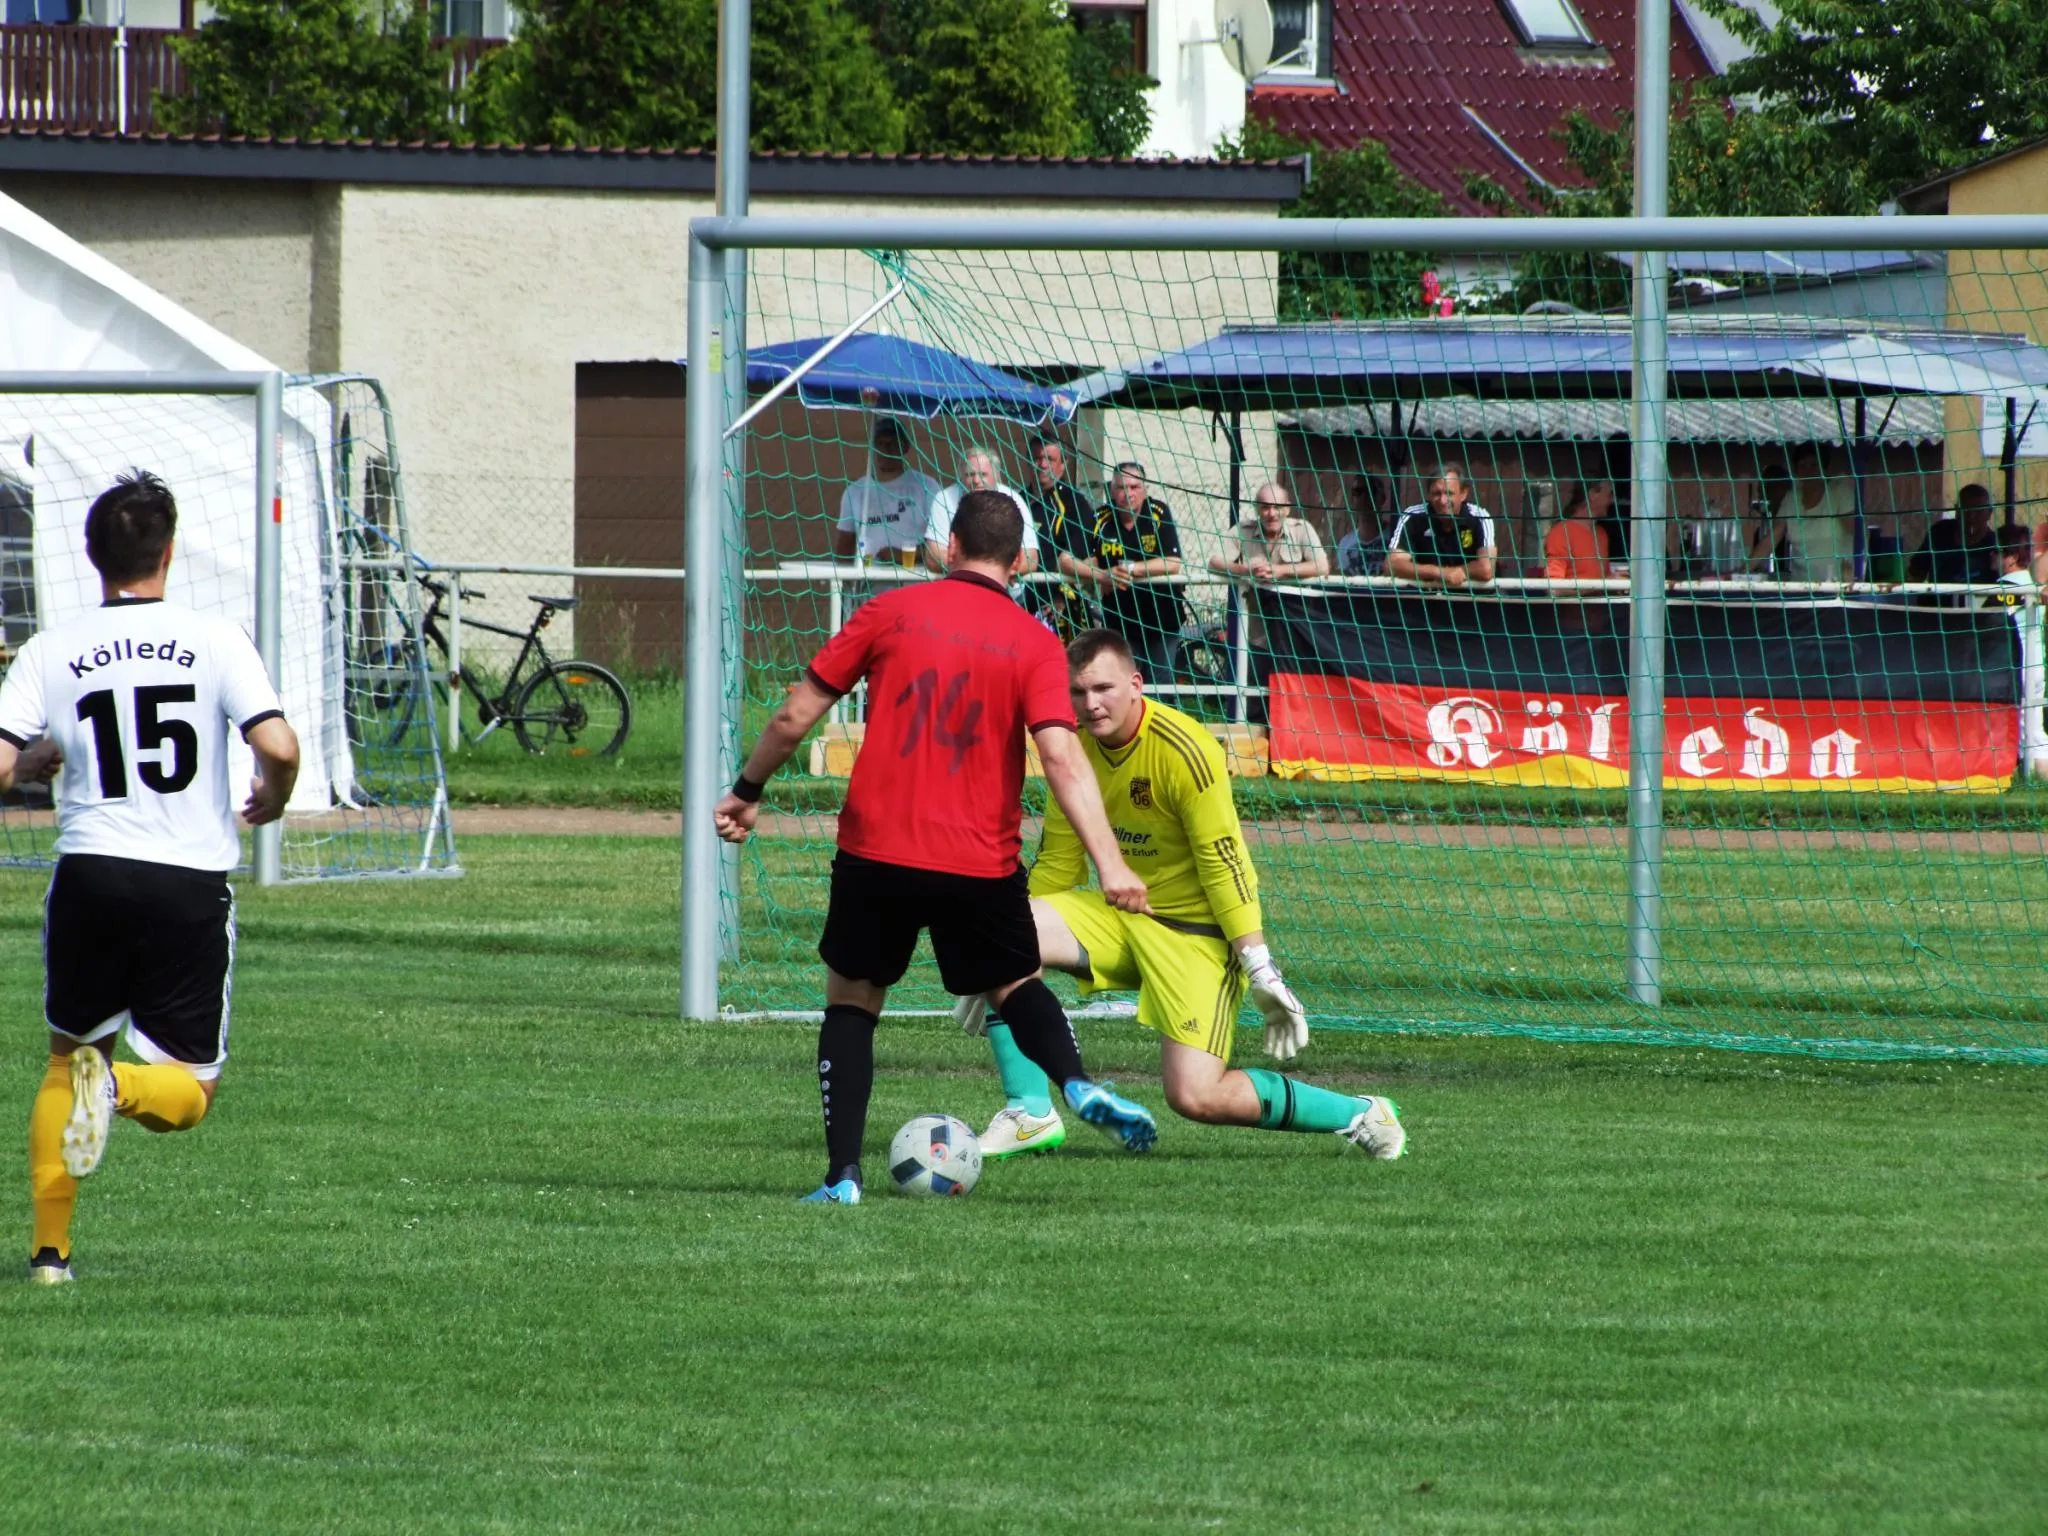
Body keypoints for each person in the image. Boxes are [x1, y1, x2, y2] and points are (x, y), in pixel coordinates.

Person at [713, 491, 1159, 1205]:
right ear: (1020, 561)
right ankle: (1075, 1083)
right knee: (1015, 984)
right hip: (978, 859)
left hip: (877, 850)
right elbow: (1063, 760)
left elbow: (795, 716)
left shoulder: (888, 612)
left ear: (948, 547)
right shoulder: (1034, 642)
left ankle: (842, 1177)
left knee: (852, 1003)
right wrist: (1111, 864)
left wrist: (747, 789)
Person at [0, 471, 301, 1284]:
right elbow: (277, 746)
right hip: (186, 883)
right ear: (168, 553)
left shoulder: (51, 648)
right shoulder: (217, 638)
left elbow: (0, 765)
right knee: (190, 1094)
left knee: (66, 1061)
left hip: (90, 874)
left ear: (91, 555)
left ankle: (50, 1256)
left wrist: (32, 761)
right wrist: (273, 797)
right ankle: (118, 1089)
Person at [959, 629, 1406, 1162]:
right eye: (1077, 691)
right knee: (997, 928)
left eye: (1102, 688)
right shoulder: (1072, 748)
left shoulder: (1185, 749)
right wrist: (1003, 959)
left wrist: (1259, 965)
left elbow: (1225, 863)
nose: (1090, 703)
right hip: (1119, 917)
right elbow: (1057, 860)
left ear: (1136, 684)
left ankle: (1361, 1114)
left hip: (1196, 936)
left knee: (1196, 1096)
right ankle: (1031, 1113)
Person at [1080, 461, 1185, 683]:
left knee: (1161, 684)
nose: (1128, 493)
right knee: (1124, 682)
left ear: (1144, 489)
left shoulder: (1158, 513)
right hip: (1120, 619)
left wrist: (1130, 569)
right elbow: (1084, 561)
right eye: (1121, 487)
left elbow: (1172, 562)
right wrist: (1104, 574)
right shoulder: (1100, 517)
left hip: (1161, 617)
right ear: (1111, 490)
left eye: (1134, 487)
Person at [921, 446, 1039, 583]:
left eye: (983, 474)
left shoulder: (1014, 499)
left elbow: (1031, 559)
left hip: (1004, 589)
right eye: (970, 475)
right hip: (959, 586)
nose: (976, 481)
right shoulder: (944, 499)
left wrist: (981, 572)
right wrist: (986, 572)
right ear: (961, 476)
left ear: (996, 476)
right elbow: (933, 557)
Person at [833, 417, 939, 567]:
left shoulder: (927, 486)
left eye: (892, 444)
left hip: (915, 577)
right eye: (880, 444)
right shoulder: (855, 492)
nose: (886, 450)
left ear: (905, 447)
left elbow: (941, 545)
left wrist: (902, 555)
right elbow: (844, 548)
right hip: (869, 579)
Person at [1020, 437, 1099, 636]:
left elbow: (1082, 558)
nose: (1042, 464)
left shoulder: (1074, 503)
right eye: (1037, 458)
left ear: (1063, 465)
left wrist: (1060, 596)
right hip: (1019, 605)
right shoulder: (1017, 501)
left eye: (1050, 459)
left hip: (1061, 612)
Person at [1386, 463, 1497, 588]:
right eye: (1436, 493)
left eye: (1449, 493)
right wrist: (1440, 573)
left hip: (1473, 597)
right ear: (1428, 495)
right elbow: (1391, 565)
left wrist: (1461, 572)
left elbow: (1486, 569)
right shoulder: (1412, 516)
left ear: (1463, 493)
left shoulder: (1480, 517)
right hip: (1427, 597)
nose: (1443, 501)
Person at [1779, 445, 1857, 585]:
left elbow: (1859, 534)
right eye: (1802, 466)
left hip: (1838, 585)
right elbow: (1771, 538)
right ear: (1796, 471)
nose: (1808, 471)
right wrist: (1746, 568)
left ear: (1824, 469)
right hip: (1801, 586)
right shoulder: (1790, 499)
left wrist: (1853, 568)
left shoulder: (1840, 493)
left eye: (1814, 465)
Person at [1910, 482, 1999, 598]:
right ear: (1957, 511)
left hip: (1976, 605)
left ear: (1989, 513)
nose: (1971, 516)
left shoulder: (1995, 545)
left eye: (1978, 511)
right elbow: (1916, 572)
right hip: (1935, 604)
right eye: (1966, 510)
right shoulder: (1939, 532)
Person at [1544, 481, 1613, 579]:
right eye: (1609, 495)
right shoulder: (1561, 533)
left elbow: (1605, 577)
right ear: (1592, 494)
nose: (1611, 501)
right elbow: (1554, 583)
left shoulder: (1601, 534)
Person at [1334, 474, 1395, 577]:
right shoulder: (1345, 544)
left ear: (1383, 498)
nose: (1365, 497)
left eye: (1371, 491)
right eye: (1358, 491)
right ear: (1352, 499)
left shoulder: (1395, 538)